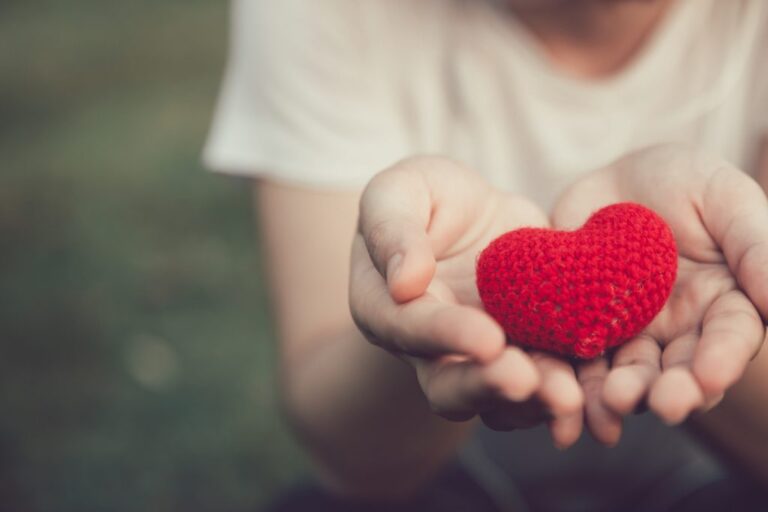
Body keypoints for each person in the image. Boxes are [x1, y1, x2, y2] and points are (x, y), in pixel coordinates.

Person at [204, 0, 768, 510]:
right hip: (447, 457)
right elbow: (348, 455)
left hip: (715, 453)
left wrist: (727, 302)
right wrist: (419, 324)